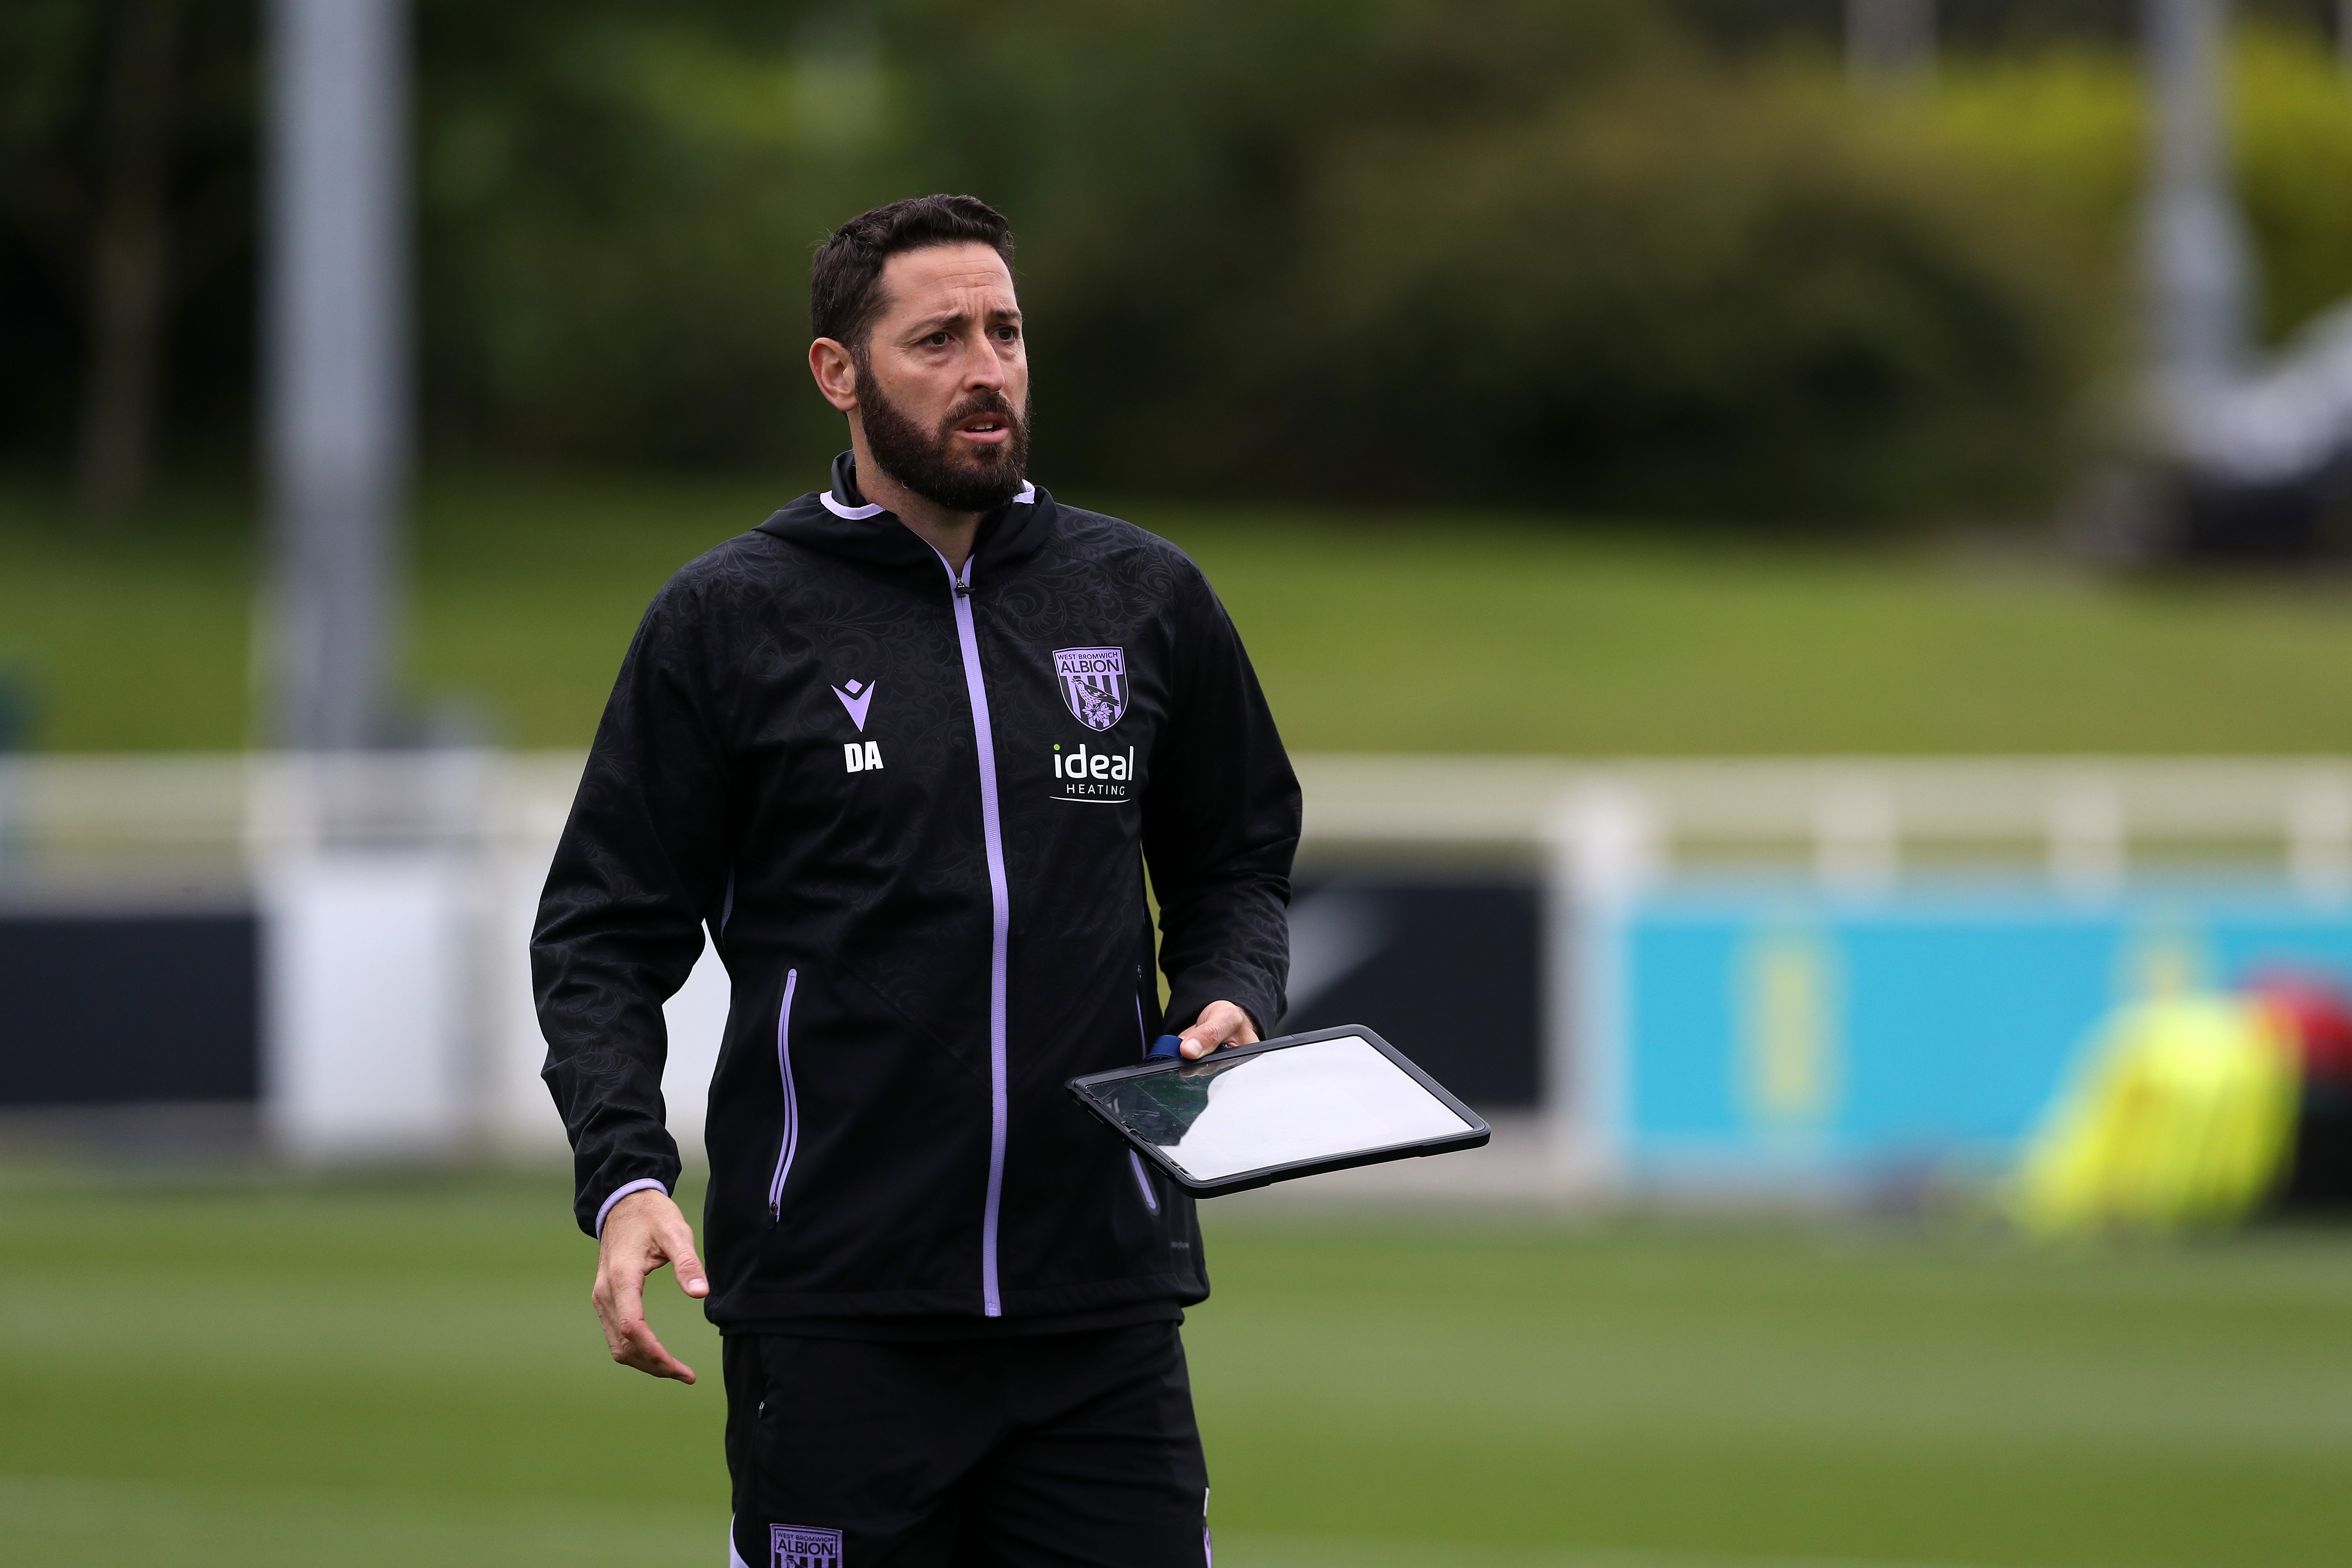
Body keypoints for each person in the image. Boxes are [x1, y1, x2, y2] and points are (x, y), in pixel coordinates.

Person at [533, 193, 1299, 1568]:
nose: (987, 369)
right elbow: (600, 931)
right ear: (840, 372)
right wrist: (625, 1174)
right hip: (835, 1317)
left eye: (1005, 331)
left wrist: (1232, 990)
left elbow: (1237, 856)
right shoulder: (726, 620)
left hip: (1100, 1313)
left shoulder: (1144, 596)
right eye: (939, 338)